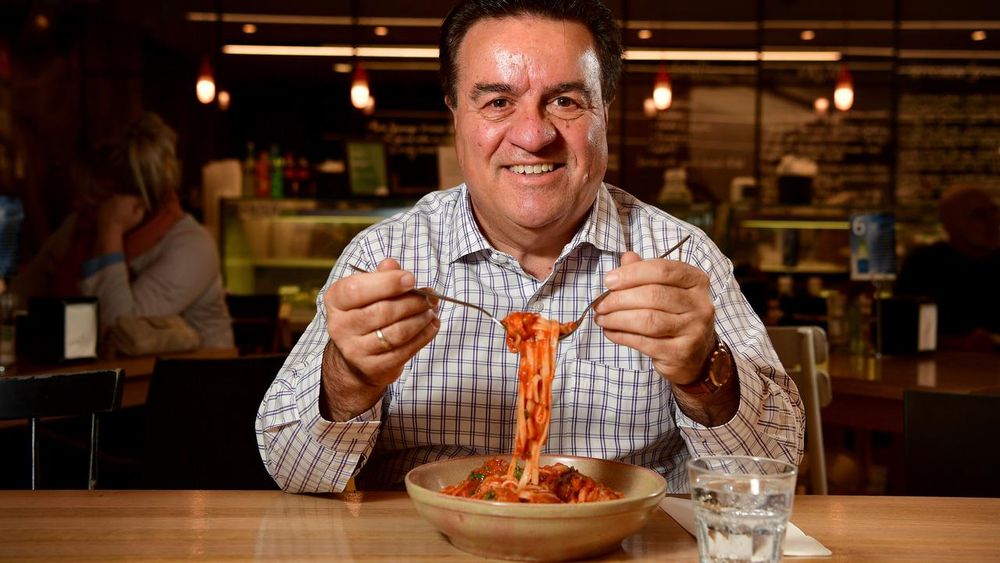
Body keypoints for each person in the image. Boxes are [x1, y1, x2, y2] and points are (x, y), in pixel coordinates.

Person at [257, 0, 803, 493]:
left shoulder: (681, 253)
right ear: (456, 118)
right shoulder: (384, 255)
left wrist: (703, 373)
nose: (533, 135)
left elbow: (772, 468)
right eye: (498, 101)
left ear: (604, 114)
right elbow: (292, 468)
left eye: (564, 101)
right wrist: (350, 379)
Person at [13, 112, 234, 350]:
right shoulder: (82, 226)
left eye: (97, 198)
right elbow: (18, 297)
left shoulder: (191, 246)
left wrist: (110, 232)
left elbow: (120, 330)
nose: (79, 204)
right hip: (98, 378)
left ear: (136, 204)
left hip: (194, 381)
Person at [895, 184, 999, 351]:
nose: (993, 221)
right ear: (951, 224)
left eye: (994, 211)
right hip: (941, 370)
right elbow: (900, 328)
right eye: (978, 215)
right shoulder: (925, 263)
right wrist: (960, 344)